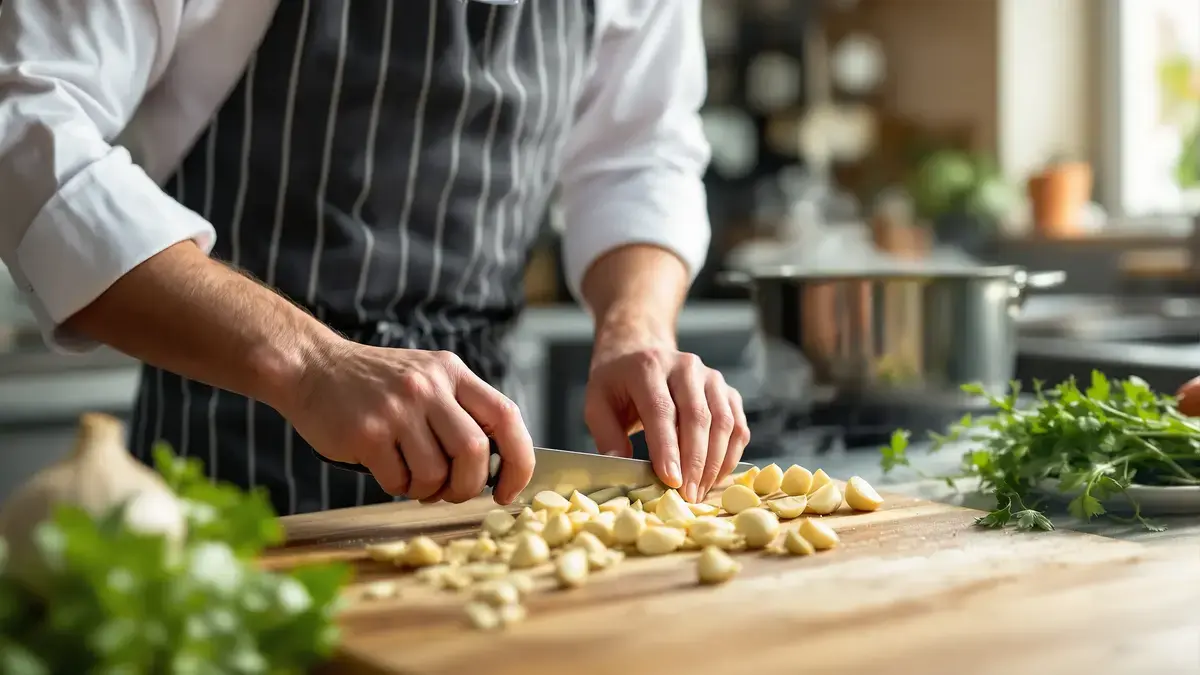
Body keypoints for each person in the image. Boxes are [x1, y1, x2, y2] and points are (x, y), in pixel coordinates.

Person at [0, 0, 750, 515]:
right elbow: (24, 120)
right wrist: (311, 364)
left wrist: (636, 329)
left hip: (488, 491)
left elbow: (638, 154)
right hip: (225, 474)